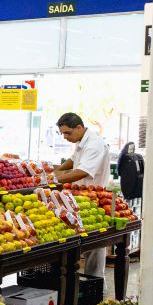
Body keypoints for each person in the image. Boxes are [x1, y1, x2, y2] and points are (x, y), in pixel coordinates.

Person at [53, 112, 111, 278]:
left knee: (95, 244)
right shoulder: (81, 141)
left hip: (94, 199)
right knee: (82, 241)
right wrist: (55, 170)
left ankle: (95, 281)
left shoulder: (94, 144)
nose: (65, 137)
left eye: (67, 133)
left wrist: (54, 178)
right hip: (80, 197)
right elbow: (73, 160)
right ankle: (79, 280)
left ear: (79, 127)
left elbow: (82, 171)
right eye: (62, 133)